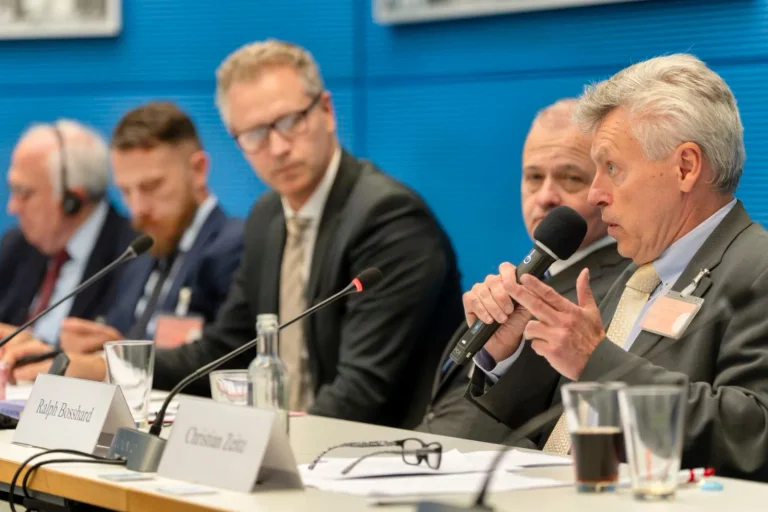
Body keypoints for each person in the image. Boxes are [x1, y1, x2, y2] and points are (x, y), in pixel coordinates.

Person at [5, 40, 463, 429]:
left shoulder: (388, 219)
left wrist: (259, 448)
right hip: (289, 450)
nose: (279, 147)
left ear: (326, 111)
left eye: (291, 121)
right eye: (255, 134)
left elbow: (362, 392)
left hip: (372, 462)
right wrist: (103, 367)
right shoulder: (269, 216)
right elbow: (224, 349)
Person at [463, 54, 768, 480]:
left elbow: (753, 432)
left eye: (611, 168)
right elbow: (563, 419)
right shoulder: (638, 273)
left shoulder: (758, 268)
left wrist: (596, 361)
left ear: (685, 167)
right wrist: (510, 351)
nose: (595, 194)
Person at [417, 99, 629, 441]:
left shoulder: (618, 290)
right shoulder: (524, 274)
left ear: (604, 190)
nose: (545, 196)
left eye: (571, 178)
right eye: (533, 177)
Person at [7, 101, 243, 360]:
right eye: (126, 192)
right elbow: (123, 340)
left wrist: (117, 360)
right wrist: (86, 350)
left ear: (198, 170)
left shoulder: (233, 247)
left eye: (151, 186)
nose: (138, 208)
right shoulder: (142, 252)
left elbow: (220, 355)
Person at [0, 120, 134, 346]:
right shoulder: (17, 245)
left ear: (72, 201)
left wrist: (37, 350)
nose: (12, 207)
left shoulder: (131, 255)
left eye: (23, 192)